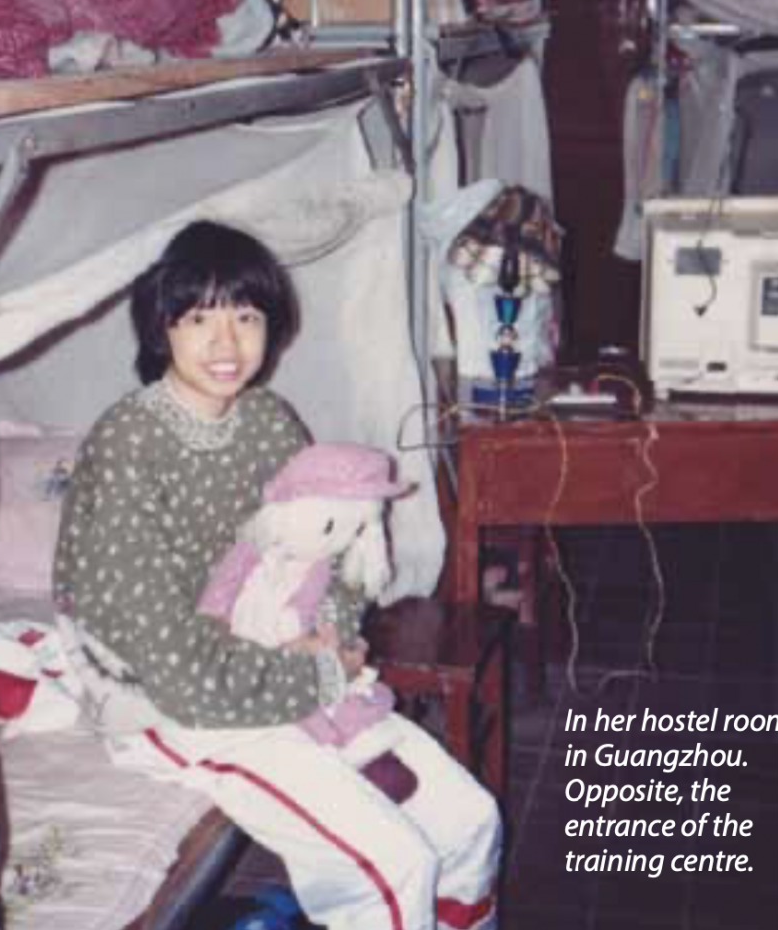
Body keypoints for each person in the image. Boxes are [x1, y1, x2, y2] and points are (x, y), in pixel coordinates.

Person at [52, 220, 502, 930]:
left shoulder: (268, 419)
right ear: (160, 327)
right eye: (199, 318)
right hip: (170, 703)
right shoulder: (126, 448)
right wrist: (317, 676)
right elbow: (168, 662)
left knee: (470, 821)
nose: (226, 343)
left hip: (287, 666)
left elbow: (332, 553)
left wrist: (334, 636)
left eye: (246, 316)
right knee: (392, 864)